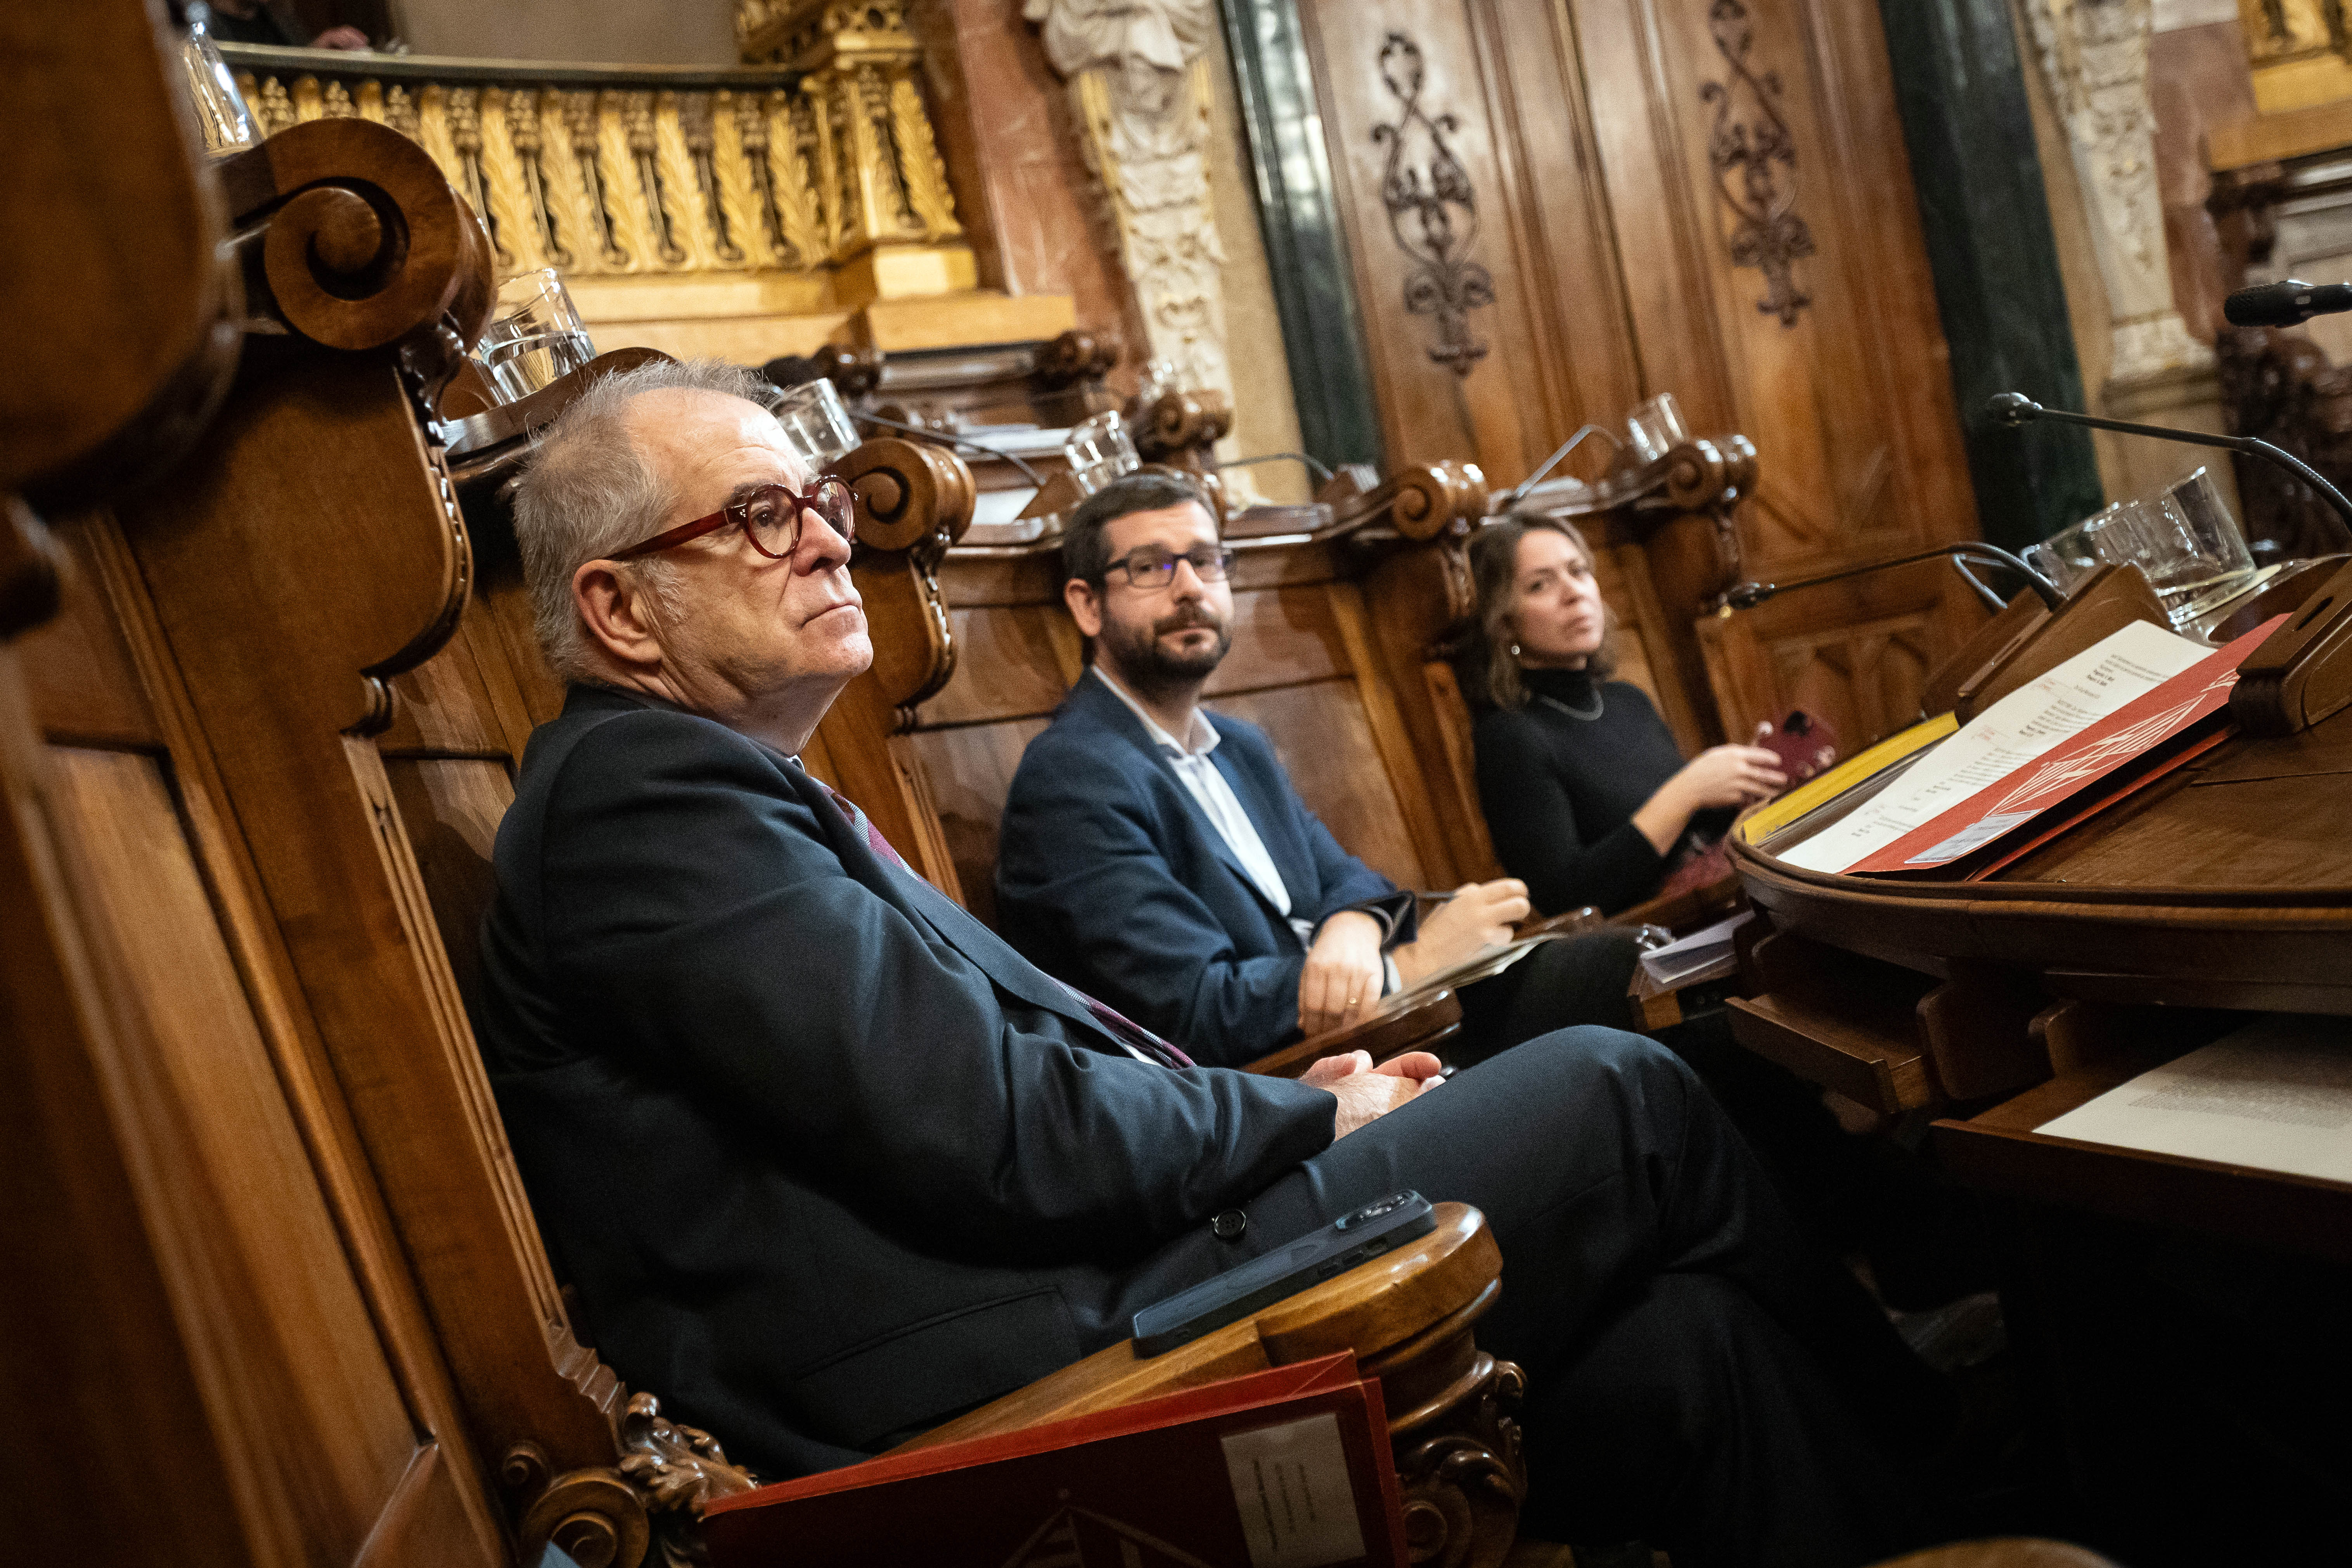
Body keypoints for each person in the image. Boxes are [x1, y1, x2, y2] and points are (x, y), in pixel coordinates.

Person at [472, 358, 1954, 1567]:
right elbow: (994, 1130)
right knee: (1623, 1092)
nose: (827, 534)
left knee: (1691, 1351)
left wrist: (1319, 1068)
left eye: (816, 499)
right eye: (757, 514)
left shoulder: (710, 785)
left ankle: (1923, 1526)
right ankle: (1962, 1453)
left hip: (1096, 1274)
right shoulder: (640, 799)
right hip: (1030, 1370)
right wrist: (1316, 1114)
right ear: (618, 609)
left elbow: (1016, 1086)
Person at [994, 471, 1640, 1069]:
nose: (1189, 586)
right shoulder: (1072, 777)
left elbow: (1351, 878)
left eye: (1206, 560)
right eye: (1149, 567)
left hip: (1373, 1033)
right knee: (1619, 1059)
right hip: (1282, 1092)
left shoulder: (1238, 745)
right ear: (1086, 606)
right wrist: (1409, 964)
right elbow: (1194, 1010)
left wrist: (1352, 928)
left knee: (1640, 968)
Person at [1461, 511, 1788, 916]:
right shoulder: (1510, 736)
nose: (1574, 592)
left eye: (1579, 571)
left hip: (1720, 900)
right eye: (1540, 584)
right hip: (1652, 943)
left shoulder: (1627, 700)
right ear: (1503, 623)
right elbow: (1564, 897)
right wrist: (1688, 791)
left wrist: (1746, 785)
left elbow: (1687, 832)